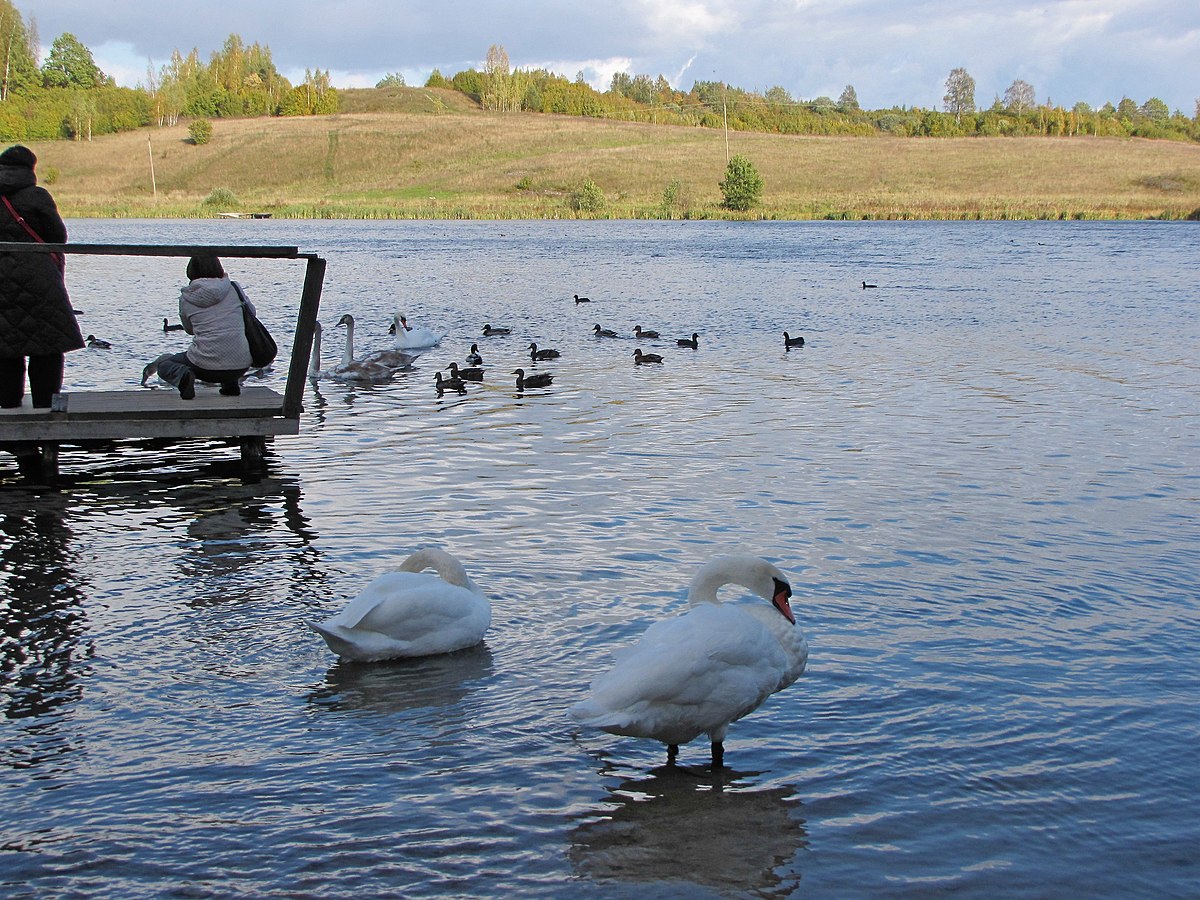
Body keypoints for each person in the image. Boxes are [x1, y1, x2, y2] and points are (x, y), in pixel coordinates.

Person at [0, 144, 83, 408]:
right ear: (31, 169)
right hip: (40, 280)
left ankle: (9, 404)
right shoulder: (37, 197)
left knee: (5, 345)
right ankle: (45, 405)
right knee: (47, 344)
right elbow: (58, 237)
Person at [155, 255, 252, 399]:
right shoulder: (234, 288)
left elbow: (189, 330)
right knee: (228, 345)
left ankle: (183, 377)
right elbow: (251, 314)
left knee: (164, 364)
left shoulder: (186, 297)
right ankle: (230, 386)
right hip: (241, 365)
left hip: (205, 368)